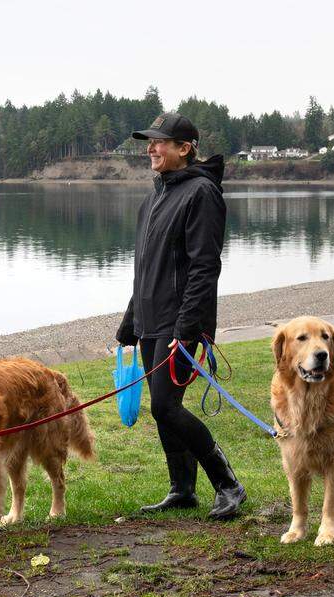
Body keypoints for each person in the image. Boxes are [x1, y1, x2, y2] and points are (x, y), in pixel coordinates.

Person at [115, 112, 246, 520]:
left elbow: (204, 267)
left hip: (180, 323)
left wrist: (188, 328)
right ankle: (182, 489)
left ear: (184, 149)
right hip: (151, 320)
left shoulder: (202, 193)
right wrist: (130, 323)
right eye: (149, 142)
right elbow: (146, 268)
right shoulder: (156, 196)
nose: (151, 148)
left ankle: (228, 484)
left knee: (166, 407)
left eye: (160, 142)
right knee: (161, 405)